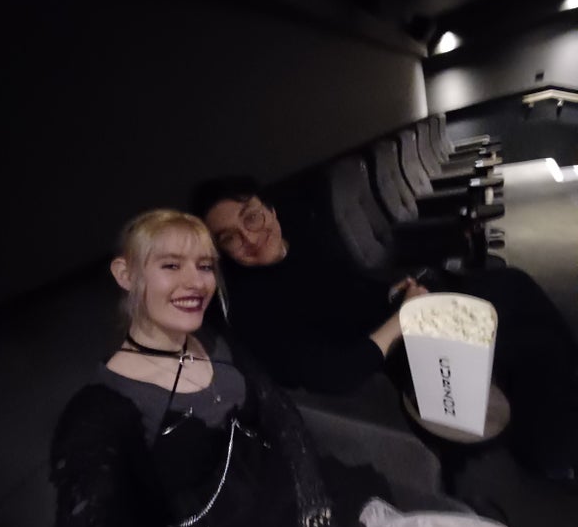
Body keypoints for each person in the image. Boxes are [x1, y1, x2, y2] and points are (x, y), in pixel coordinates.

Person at [14, 209, 578, 527]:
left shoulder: (213, 346)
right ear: (127, 275)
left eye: (204, 266)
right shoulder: (98, 415)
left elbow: (285, 426)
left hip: (316, 519)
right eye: (171, 265)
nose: (194, 282)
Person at [193, 176, 578, 481]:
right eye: (230, 238)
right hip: (386, 353)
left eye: (251, 217)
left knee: (513, 286)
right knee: (522, 330)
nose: (249, 238)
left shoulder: (303, 238)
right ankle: (553, 452)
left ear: (270, 210)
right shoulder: (252, 308)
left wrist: (394, 292)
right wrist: (401, 321)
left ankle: (550, 428)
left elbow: (351, 287)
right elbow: (334, 373)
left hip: (398, 316)